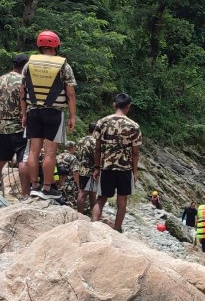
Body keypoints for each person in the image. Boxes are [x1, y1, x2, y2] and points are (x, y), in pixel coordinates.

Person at [21, 30, 77, 199]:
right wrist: (72, 115)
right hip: (54, 112)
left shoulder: (28, 64)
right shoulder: (63, 65)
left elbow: (22, 91)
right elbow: (71, 93)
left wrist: (24, 114)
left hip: (33, 111)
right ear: (56, 45)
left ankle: (34, 186)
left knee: (33, 151)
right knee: (50, 152)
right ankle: (47, 188)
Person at [91, 93, 142, 231]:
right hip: (125, 168)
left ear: (114, 104)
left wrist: (96, 167)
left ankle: (94, 226)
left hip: (107, 166)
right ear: (128, 106)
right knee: (122, 200)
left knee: (101, 198)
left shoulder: (102, 122)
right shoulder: (134, 126)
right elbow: (135, 152)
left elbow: (97, 148)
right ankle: (117, 229)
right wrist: (134, 172)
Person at [0, 55, 30, 203]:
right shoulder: (23, 81)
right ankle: (26, 196)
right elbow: (24, 100)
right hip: (21, 126)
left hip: (4, 126)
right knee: (23, 161)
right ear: (25, 66)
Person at [75, 121, 97, 214]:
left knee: (88, 193)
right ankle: (87, 214)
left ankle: (83, 213)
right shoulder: (95, 141)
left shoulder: (81, 140)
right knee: (84, 193)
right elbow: (96, 156)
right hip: (91, 170)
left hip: (81, 169)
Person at [56, 142, 79, 208]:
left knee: (59, 202)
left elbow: (54, 170)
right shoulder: (73, 157)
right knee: (71, 204)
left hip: (58, 183)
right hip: (69, 184)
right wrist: (78, 184)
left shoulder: (58, 156)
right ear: (73, 147)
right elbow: (75, 172)